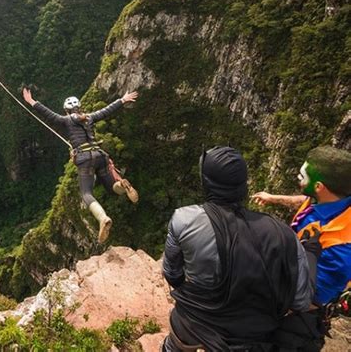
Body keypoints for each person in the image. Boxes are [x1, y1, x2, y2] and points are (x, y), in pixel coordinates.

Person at [162, 146, 318, 351]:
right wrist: (311, 255)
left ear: (206, 184)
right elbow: (300, 301)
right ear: (244, 186)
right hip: (252, 338)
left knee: (173, 345)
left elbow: (172, 274)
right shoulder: (283, 234)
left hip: (194, 325)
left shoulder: (185, 220)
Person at [22, 87, 139, 244]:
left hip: (85, 159)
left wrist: (31, 102)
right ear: (79, 107)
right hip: (100, 155)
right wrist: (122, 100)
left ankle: (103, 218)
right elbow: (106, 111)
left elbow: (48, 115)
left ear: (66, 110)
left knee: (86, 194)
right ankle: (122, 184)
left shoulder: (66, 120)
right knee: (112, 188)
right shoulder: (89, 117)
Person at [252, 146, 351, 307]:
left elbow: (314, 297)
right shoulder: (332, 198)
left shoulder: (342, 246)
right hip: (294, 260)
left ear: (319, 187)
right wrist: (272, 198)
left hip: (298, 296)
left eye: (302, 176)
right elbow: (307, 201)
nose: (298, 177)